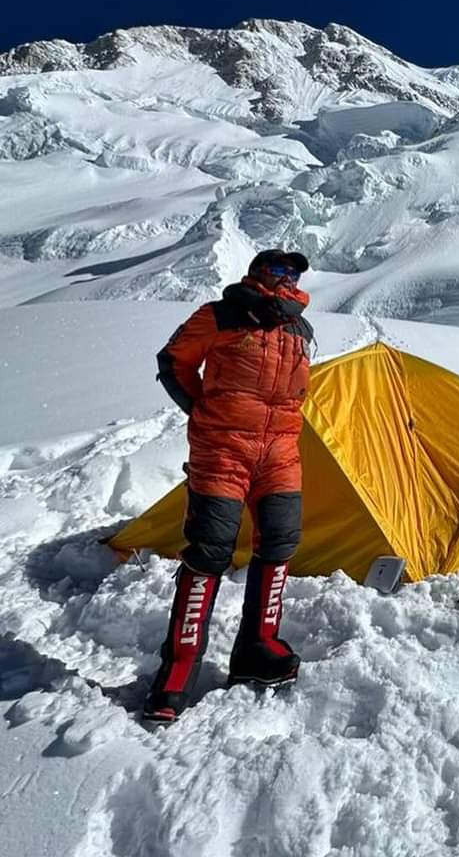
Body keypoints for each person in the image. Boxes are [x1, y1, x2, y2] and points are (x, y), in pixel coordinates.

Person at [142, 249, 314, 724]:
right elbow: (174, 362)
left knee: (280, 543)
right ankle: (178, 668)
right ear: (258, 272)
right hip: (223, 452)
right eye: (278, 269)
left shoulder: (300, 330)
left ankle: (258, 647)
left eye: (294, 271)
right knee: (210, 551)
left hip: (280, 453)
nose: (287, 278)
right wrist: (202, 411)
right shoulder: (219, 315)